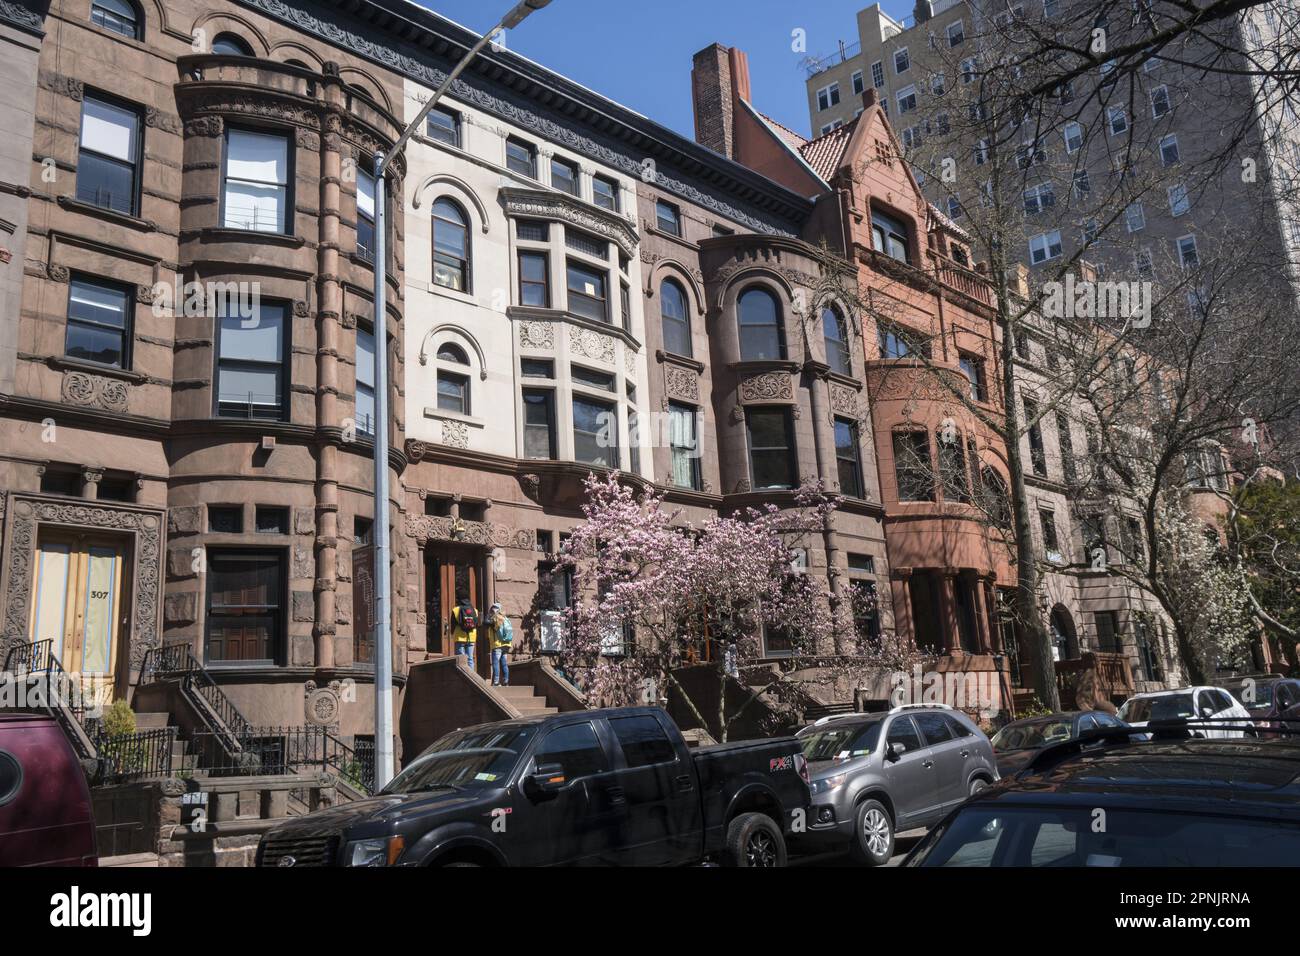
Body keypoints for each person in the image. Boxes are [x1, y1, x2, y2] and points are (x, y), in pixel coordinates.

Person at [449, 592, 479, 670]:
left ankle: (462, 679)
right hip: (471, 637)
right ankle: (472, 679)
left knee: (461, 660)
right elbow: (477, 623)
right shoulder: (475, 610)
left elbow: (453, 624)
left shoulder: (456, 610)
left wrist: (452, 634)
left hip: (459, 637)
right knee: (470, 659)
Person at [488, 602, 513, 686]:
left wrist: (489, 615)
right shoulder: (505, 618)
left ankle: (496, 682)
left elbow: (486, 622)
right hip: (506, 644)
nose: (492, 610)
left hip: (497, 645)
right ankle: (506, 681)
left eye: (493, 608)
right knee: (504, 664)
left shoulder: (495, 618)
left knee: (496, 663)